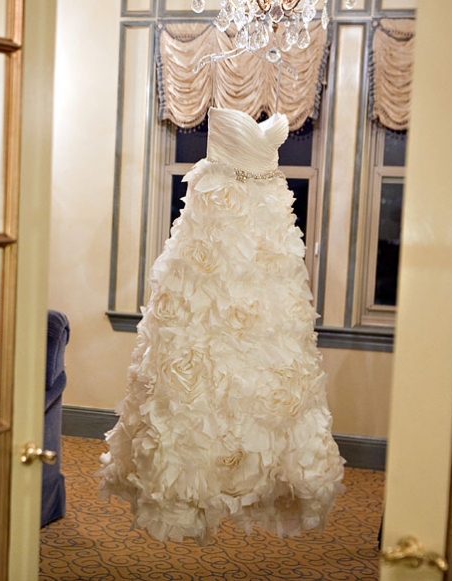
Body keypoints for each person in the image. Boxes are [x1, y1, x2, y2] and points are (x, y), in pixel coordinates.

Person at [98, 108, 345, 543]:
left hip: (264, 225)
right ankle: (189, 492)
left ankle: (258, 477)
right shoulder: (217, 65)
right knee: (199, 340)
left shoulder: (271, 70)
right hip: (214, 221)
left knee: (263, 359)